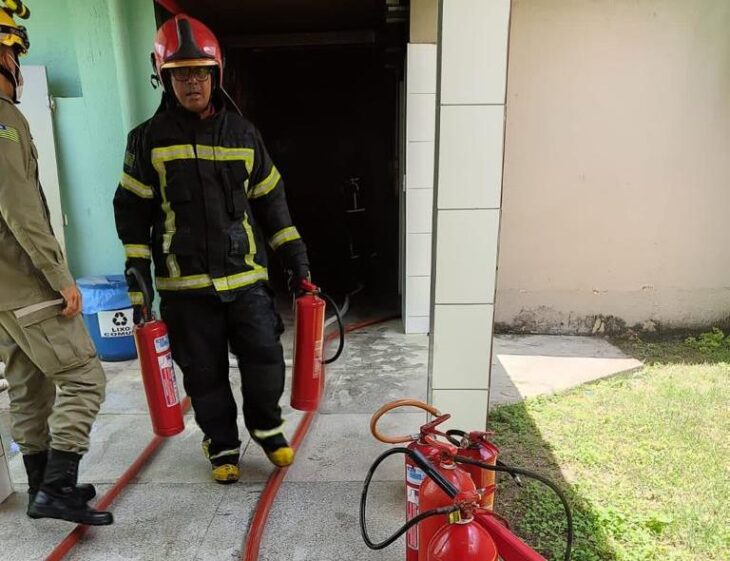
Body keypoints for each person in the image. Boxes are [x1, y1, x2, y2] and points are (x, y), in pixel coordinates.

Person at [114, 14, 311, 484]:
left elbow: (273, 205)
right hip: (184, 288)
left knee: (265, 358)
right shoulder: (146, 140)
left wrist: (297, 263)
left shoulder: (245, 135)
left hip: (245, 280)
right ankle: (221, 444)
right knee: (204, 375)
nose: (192, 83)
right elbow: (131, 213)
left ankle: (266, 428)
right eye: (180, 74)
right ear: (164, 78)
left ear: (216, 74)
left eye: (200, 72)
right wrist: (138, 284)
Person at [0, 1, 112, 525]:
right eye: (13, 50)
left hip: (3, 294)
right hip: (25, 283)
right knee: (85, 376)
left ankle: (41, 487)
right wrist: (62, 279)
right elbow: (22, 212)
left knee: (29, 382)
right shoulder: (3, 120)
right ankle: (58, 487)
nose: (18, 63)